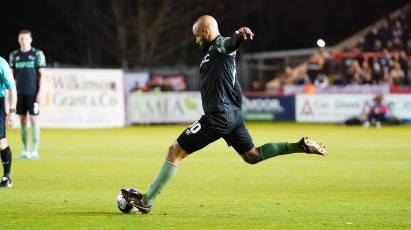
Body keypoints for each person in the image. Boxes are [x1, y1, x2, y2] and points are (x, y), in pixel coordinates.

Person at [121, 15, 327, 214]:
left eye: (197, 35)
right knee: (252, 155)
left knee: (174, 152)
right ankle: (299, 146)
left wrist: (239, 35)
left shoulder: (219, 46)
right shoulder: (212, 52)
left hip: (217, 117)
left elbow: (231, 44)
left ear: (205, 31)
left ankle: (146, 201)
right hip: (233, 116)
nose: (196, 39)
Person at [9, 29, 46, 160]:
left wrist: (40, 92)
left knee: (34, 119)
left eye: (26, 38)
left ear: (30, 39)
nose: (23, 41)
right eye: (21, 39)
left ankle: (35, 151)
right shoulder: (14, 55)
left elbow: (42, 75)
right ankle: (25, 150)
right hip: (19, 93)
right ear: (18, 40)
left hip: (33, 93)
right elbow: (11, 77)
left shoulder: (37, 54)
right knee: (23, 121)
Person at [0, 56, 17, 188]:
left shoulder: (2, 63)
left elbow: (12, 88)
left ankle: (7, 177)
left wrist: (12, 111)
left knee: (1, 142)